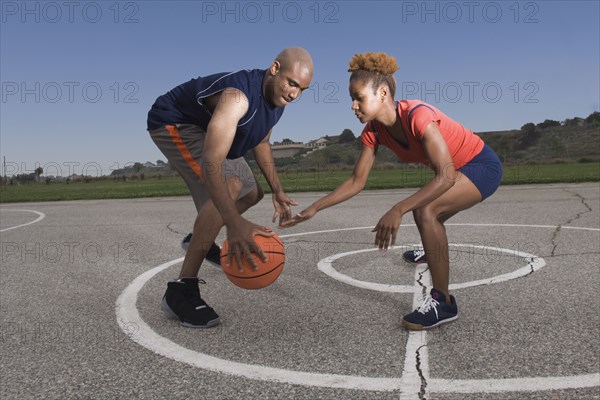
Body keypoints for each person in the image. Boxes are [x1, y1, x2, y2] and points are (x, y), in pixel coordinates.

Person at [282, 52, 502, 330]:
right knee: (430, 212)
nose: (353, 106)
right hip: (455, 172)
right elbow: (356, 181)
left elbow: (445, 176)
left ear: (382, 92)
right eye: (352, 98)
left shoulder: (418, 115)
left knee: (427, 211)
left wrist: (399, 208)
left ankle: (444, 302)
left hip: (482, 166)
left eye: (358, 97)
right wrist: (314, 208)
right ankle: (431, 252)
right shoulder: (374, 131)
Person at [147, 47, 313, 328]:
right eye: (292, 83)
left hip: (205, 127)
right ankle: (180, 290)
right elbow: (211, 163)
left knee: (252, 192)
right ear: (274, 68)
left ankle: (198, 236)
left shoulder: (276, 102)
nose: (294, 94)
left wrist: (277, 189)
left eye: (302, 89)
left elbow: (260, 142)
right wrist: (234, 224)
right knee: (231, 185)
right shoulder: (237, 98)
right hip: (175, 122)